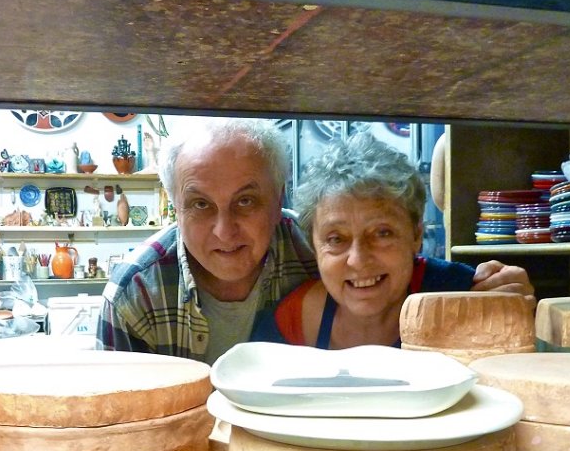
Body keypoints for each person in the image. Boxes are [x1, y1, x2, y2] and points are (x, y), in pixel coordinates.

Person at [98, 118, 533, 364]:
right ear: (173, 205)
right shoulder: (135, 291)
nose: (224, 230)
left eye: (247, 201)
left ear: (278, 199)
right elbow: (114, 417)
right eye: (199, 205)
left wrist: (506, 294)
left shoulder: (310, 245)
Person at [251, 130, 532, 348]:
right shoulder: (289, 323)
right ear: (314, 247)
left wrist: (515, 308)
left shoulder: (460, 293)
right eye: (336, 239)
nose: (359, 260)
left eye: (382, 233)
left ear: (416, 236)